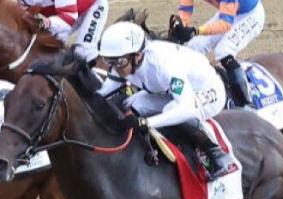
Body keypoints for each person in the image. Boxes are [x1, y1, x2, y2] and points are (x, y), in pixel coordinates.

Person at [96, 21, 237, 179]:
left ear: (137, 55)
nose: (115, 67)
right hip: (169, 92)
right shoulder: (125, 62)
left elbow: (186, 108)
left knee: (171, 110)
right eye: (110, 62)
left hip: (206, 90)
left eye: (119, 62)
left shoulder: (163, 65)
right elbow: (101, 94)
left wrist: (147, 123)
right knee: (132, 103)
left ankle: (218, 155)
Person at [169, 0, 264, 108]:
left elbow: (226, 24)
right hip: (226, 11)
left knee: (224, 51)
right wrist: (181, 25)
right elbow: (185, 9)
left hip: (249, 14)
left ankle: (246, 104)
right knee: (192, 47)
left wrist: (196, 30)